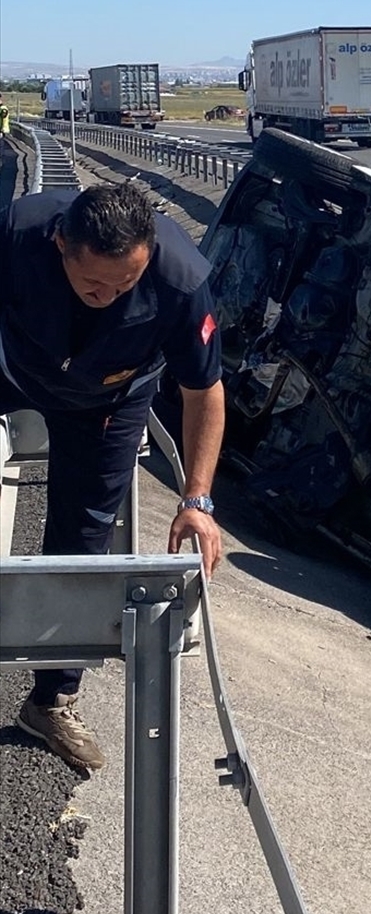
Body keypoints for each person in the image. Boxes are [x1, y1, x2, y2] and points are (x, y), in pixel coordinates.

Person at [1, 183, 225, 770]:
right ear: (60, 245)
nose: (108, 296)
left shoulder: (180, 280)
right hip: (16, 368)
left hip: (108, 399)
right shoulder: (18, 235)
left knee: (82, 539)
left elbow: (204, 391)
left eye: (124, 285)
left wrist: (197, 499)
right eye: (93, 284)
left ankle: (50, 700)